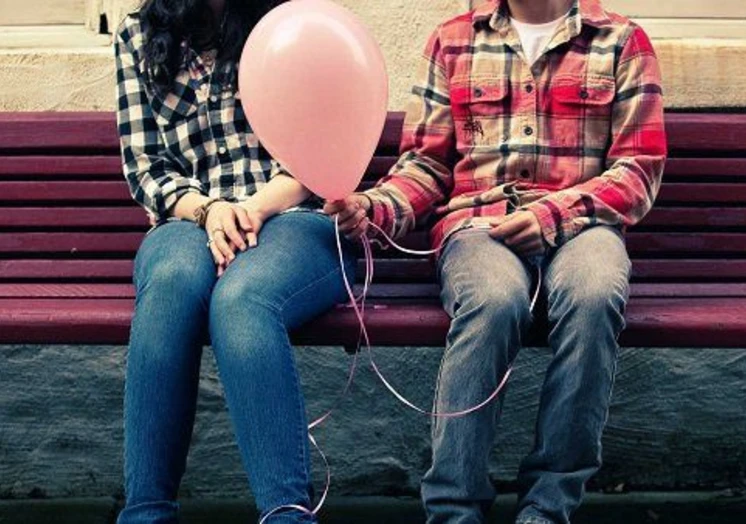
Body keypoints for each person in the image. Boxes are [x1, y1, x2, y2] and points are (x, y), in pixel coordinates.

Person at [325, 0, 666, 522]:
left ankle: (546, 507)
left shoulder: (621, 41)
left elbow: (638, 168)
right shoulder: (453, 40)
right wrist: (375, 209)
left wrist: (551, 215)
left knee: (595, 294)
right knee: (493, 299)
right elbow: (425, 165)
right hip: (478, 226)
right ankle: (454, 509)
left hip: (584, 225)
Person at [115, 1, 355, 522]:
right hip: (188, 218)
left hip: (291, 216)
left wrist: (252, 209)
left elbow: (319, 153)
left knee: (241, 300)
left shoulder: (292, 25)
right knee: (172, 282)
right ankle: (146, 514)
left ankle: (287, 515)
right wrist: (211, 211)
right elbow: (147, 168)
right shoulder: (138, 35)